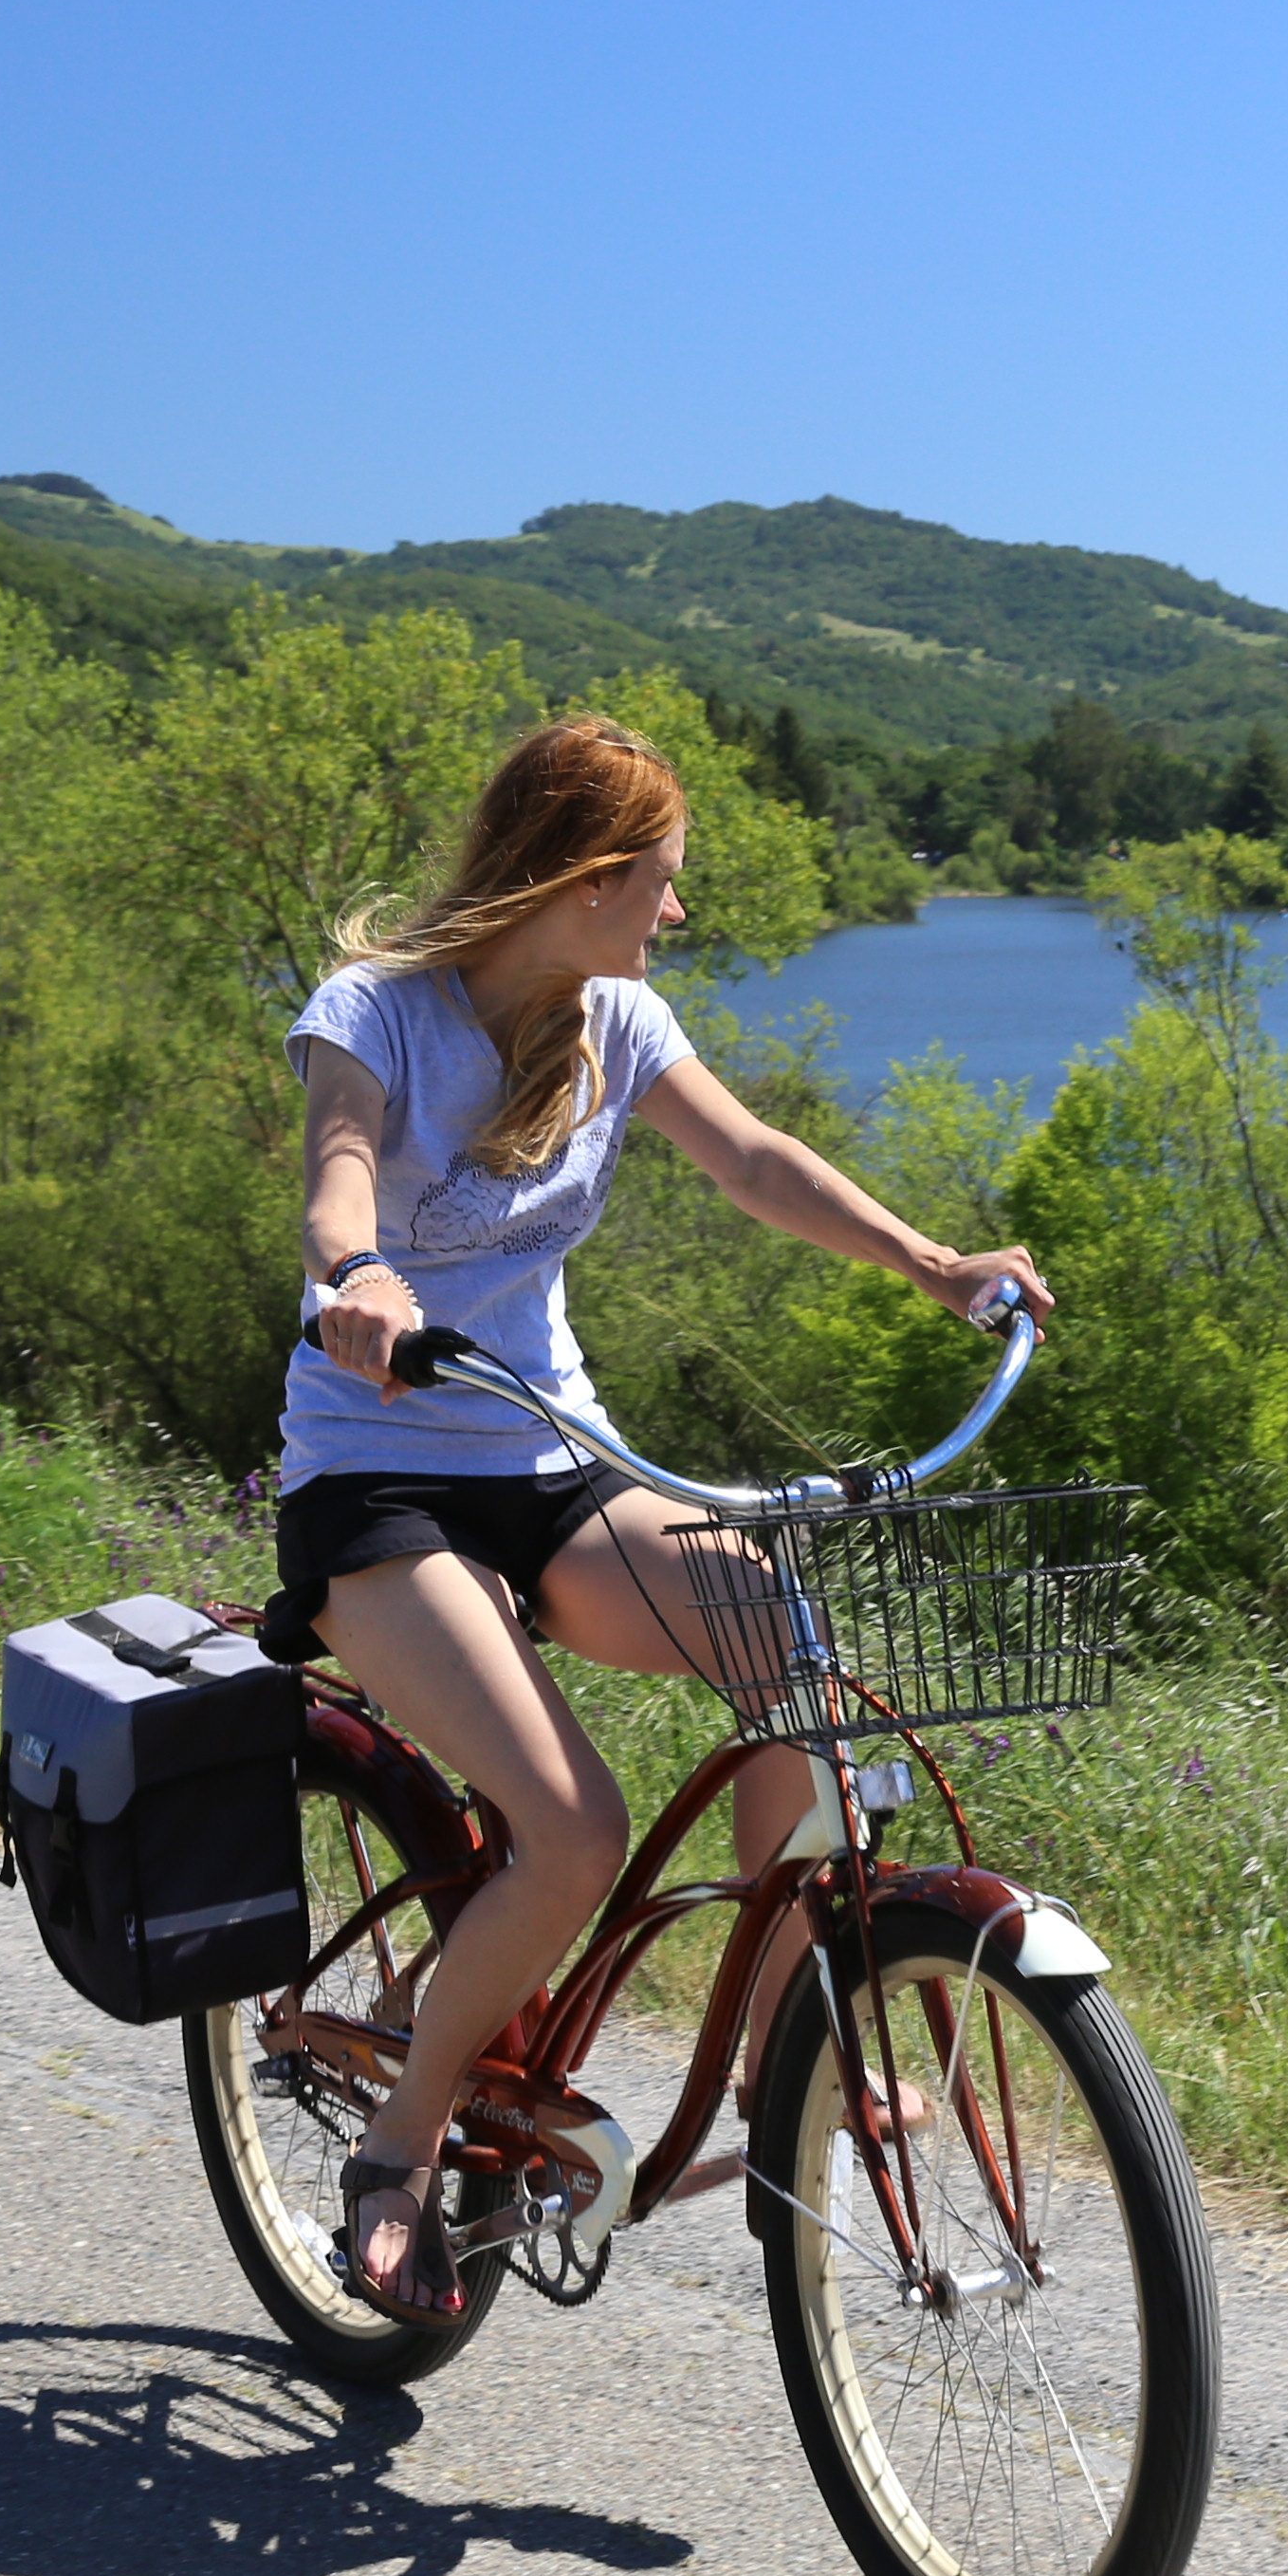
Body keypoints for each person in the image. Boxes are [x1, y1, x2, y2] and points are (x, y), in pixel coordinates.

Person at [276, 713, 1048, 2328]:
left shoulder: (614, 1018)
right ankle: (399, 2152)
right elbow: (341, 1171)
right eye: (662, 886)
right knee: (573, 1829)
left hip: (553, 1456)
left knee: (792, 1653)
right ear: (581, 881)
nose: (676, 917)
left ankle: (792, 2067)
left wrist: (934, 1265)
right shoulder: (377, 1016)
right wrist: (357, 1278)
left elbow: (756, 1160)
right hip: (380, 1469)